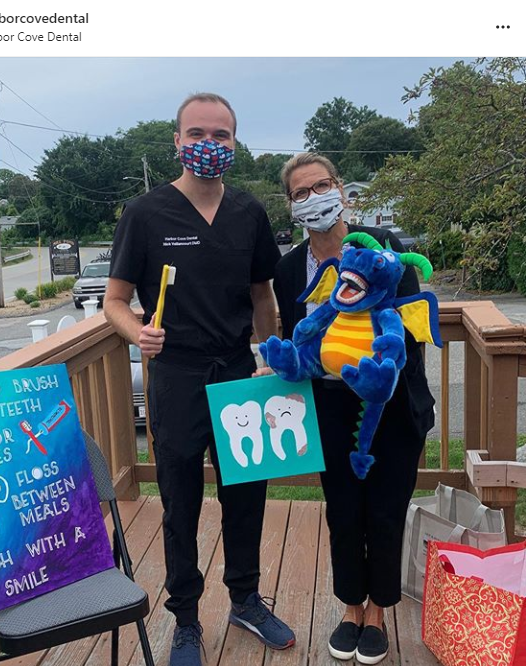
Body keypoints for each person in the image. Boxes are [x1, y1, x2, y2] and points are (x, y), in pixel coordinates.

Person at [104, 93, 295, 666]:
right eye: (197, 134)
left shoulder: (248, 212)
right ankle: (185, 619)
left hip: (240, 374)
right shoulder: (145, 213)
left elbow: (262, 296)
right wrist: (137, 332)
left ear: (235, 142)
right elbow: (115, 301)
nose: (209, 144)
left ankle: (246, 600)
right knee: (180, 503)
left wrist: (269, 354)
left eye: (221, 135)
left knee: (246, 497)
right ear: (177, 140)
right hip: (176, 376)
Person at [260, 153, 435, 665]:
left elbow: (408, 330)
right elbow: (299, 336)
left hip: (391, 405)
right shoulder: (289, 268)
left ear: (340, 189)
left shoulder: (384, 249)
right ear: (291, 205)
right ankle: (351, 607)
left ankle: (378, 612)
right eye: (301, 193)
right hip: (328, 407)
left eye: (322, 186)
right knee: (342, 511)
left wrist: (373, 368)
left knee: (385, 510)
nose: (314, 198)